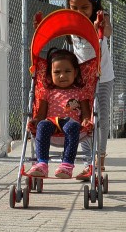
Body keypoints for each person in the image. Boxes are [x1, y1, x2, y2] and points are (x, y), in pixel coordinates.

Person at [65, 0, 114, 180]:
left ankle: (100, 159)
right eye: (74, 7)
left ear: (94, 5)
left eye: (85, 8)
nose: (79, 12)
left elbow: (107, 32)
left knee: (101, 118)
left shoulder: (101, 18)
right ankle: (88, 162)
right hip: (82, 79)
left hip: (103, 77)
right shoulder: (70, 21)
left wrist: (100, 26)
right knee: (85, 119)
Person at [27, 49, 87, 179]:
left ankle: (67, 165)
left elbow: (86, 114)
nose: (62, 76)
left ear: (75, 73)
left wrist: (87, 120)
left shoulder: (80, 92)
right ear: (50, 74)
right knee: (42, 125)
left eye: (67, 71)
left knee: (72, 126)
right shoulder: (47, 93)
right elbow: (41, 115)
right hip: (52, 122)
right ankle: (42, 163)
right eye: (57, 72)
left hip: (72, 123)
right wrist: (35, 121)